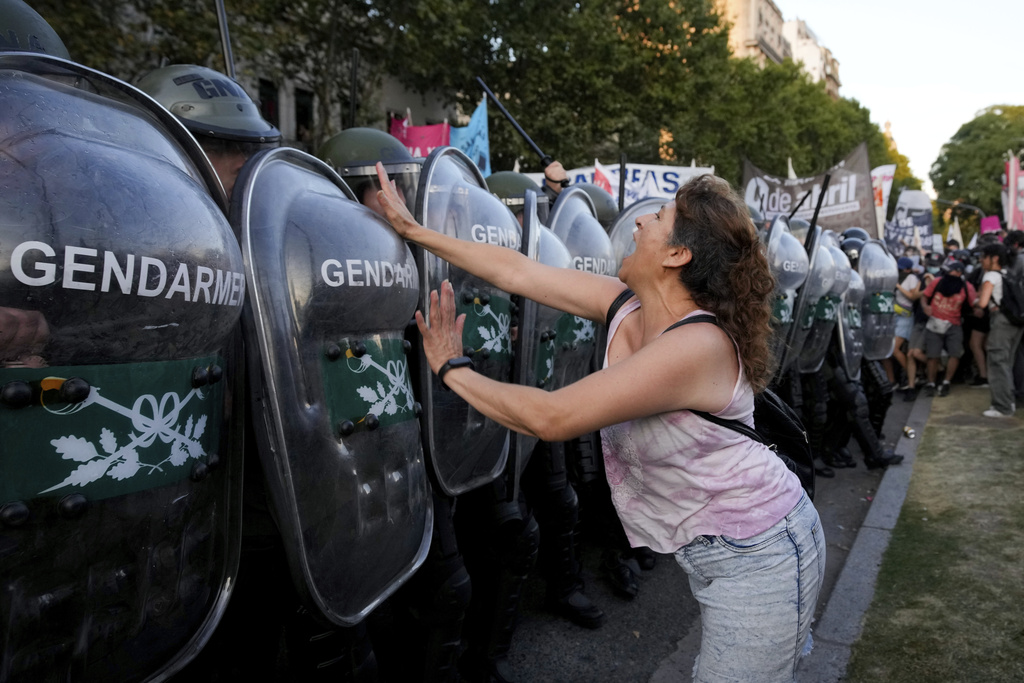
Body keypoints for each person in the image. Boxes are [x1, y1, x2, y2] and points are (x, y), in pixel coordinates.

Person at [376, 165, 823, 682]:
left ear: (678, 254)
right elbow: (518, 273)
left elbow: (552, 416)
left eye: (656, 217)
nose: (638, 225)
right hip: (723, 552)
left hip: (762, 554)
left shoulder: (698, 346)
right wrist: (415, 232)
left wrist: (451, 368)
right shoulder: (625, 305)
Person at [977, 242, 1022, 418]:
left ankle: (1002, 407)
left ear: (994, 258)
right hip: (1015, 322)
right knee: (1007, 363)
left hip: (1001, 321)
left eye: (983, 257)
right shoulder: (1008, 274)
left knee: (997, 361)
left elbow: (982, 303)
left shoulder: (991, 276)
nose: (981, 260)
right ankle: (1008, 401)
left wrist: (978, 300)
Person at [920, 260, 977, 397]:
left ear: (958, 272)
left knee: (955, 354)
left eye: (950, 270)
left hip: (954, 324)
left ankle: (946, 382)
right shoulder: (938, 282)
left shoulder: (966, 287)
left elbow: (973, 303)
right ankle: (931, 383)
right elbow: (924, 296)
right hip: (934, 322)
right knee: (932, 355)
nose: (947, 273)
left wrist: (978, 309)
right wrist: (925, 307)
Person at [893, 257, 921, 389]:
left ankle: (913, 375)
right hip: (895, 315)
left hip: (906, 316)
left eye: (902, 269)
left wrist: (898, 286)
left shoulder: (911, 278)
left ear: (908, 269)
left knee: (895, 349)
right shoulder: (897, 277)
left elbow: (912, 296)